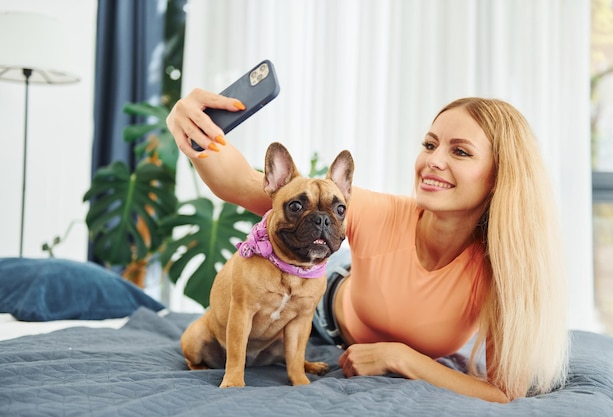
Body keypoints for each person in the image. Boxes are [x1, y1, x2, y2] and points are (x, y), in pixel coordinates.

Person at [166, 90, 570, 403]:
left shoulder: (501, 269)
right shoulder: (379, 213)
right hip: (323, 306)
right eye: (430, 145)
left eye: (459, 151)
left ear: (500, 176)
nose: (433, 161)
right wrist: (196, 128)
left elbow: (502, 392)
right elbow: (239, 182)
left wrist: (400, 357)